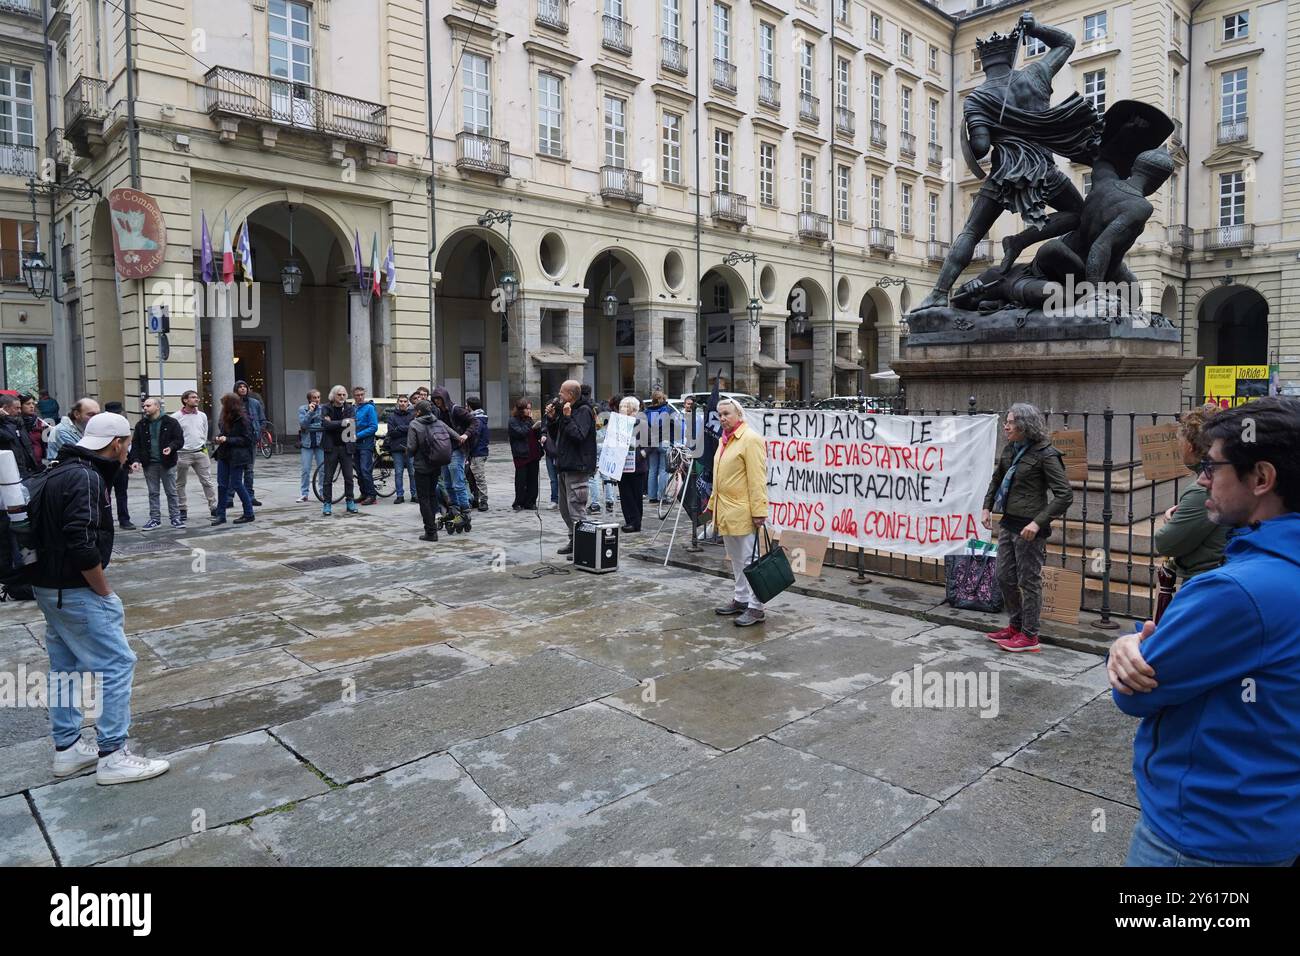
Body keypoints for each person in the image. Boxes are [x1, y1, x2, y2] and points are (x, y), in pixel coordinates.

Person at [1109, 397, 1300, 867]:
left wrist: (1131, 644)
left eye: (1212, 467)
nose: (1200, 479)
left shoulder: (1234, 593)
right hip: (1271, 817)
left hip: (1203, 834)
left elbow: (1135, 694)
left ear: (1261, 478)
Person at [29, 411, 170, 784]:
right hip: (75, 590)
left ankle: (68, 749)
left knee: (65, 666)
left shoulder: (60, 469)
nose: (128, 451)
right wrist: (104, 592)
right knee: (118, 663)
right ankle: (113, 755)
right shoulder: (86, 478)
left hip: (48, 588)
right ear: (116, 444)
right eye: (127, 444)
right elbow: (81, 541)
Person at [981, 403, 1073, 653]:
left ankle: (1030, 636)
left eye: (1010, 422)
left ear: (1024, 425)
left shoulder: (1046, 454)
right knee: (1003, 576)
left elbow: (1064, 495)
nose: (1006, 426)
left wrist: (1038, 522)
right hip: (1009, 521)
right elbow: (997, 478)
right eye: (1006, 421)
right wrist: (986, 506)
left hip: (1030, 527)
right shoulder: (1012, 449)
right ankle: (1015, 626)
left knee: (1028, 580)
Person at [702, 398, 770, 627]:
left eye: (726, 414)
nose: (722, 418)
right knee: (736, 559)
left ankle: (756, 606)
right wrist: (712, 503)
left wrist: (759, 511)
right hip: (726, 509)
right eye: (720, 414)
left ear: (739, 415)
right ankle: (741, 598)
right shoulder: (724, 440)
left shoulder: (750, 439)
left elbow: (757, 479)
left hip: (743, 510)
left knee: (751, 560)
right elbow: (719, 475)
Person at [1154, 404, 1228, 582]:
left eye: (1180, 437)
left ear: (1190, 445)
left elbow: (1166, 543)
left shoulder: (1202, 490)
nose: (1177, 443)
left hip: (1206, 580)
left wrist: (1170, 521)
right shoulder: (1215, 481)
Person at [548, 379, 597, 557]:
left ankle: (583, 546)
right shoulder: (568, 409)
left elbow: (578, 435)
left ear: (570, 395)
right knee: (565, 508)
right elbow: (559, 436)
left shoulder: (584, 411)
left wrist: (567, 418)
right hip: (565, 465)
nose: (559, 395)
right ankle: (573, 539)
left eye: (561, 392)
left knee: (576, 508)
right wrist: (553, 419)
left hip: (578, 466)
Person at [128, 397, 185, 530]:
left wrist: (171, 447)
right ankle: (155, 519)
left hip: (167, 462)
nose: (145, 408)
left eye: (148, 406)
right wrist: (135, 460)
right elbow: (135, 444)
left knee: (171, 491)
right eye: (144, 406)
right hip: (150, 463)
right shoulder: (141, 424)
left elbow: (179, 440)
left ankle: (175, 517)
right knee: (153, 492)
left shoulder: (171, 422)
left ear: (157, 407)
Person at [431, 386, 478, 531]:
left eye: (439, 399)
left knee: (458, 482)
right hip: (445, 451)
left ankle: (465, 510)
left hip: (457, 449)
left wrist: (466, 434)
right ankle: (454, 508)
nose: (437, 402)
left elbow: (474, 422)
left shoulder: (456, 410)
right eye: (435, 399)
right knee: (447, 483)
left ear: (444, 398)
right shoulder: (438, 412)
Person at [407, 399, 453, 541]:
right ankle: (433, 528)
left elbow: (411, 447)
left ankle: (431, 532)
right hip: (436, 465)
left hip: (422, 466)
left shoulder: (414, 424)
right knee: (432, 495)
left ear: (419, 411)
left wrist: (408, 454)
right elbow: (455, 435)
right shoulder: (438, 422)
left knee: (424, 499)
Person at [210, 392, 256, 526]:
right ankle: (221, 515)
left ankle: (249, 513)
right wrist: (219, 438)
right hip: (224, 454)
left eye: (224, 404)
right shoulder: (225, 418)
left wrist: (228, 439)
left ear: (231, 405)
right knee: (222, 485)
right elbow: (224, 433)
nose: (222, 407)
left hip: (238, 456)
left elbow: (247, 440)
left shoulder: (243, 419)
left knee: (237, 484)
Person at [172, 390, 217, 521]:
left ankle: (213, 506)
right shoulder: (176, 417)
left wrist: (203, 446)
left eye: (197, 397)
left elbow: (204, 432)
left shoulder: (202, 415)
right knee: (180, 483)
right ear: (185, 400)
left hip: (200, 452)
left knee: (207, 481)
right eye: (193, 397)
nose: (196, 399)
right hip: (182, 454)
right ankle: (182, 508)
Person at [319, 385, 358, 516]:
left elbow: (351, 424)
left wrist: (334, 423)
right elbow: (325, 425)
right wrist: (343, 422)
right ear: (333, 396)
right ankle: (327, 504)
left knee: (349, 477)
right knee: (328, 478)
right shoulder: (326, 407)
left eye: (344, 395)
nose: (342, 397)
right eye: (339, 395)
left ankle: (350, 501)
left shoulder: (349, 408)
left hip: (346, 447)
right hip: (331, 447)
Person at [231, 381, 265, 507]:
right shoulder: (232, 404)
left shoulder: (254, 403)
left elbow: (262, 420)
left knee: (249, 470)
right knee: (234, 470)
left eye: (244, 386)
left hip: (251, 441)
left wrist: (259, 433)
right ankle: (229, 497)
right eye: (240, 387)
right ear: (236, 389)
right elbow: (223, 421)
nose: (242, 388)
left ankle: (250, 497)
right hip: (235, 442)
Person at [101, 402, 135, 529]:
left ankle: (123, 519)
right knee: (107, 494)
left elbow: (128, 445)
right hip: (108, 464)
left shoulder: (123, 425)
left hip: (121, 465)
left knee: (119, 494)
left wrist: (130, 461)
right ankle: (114, 520)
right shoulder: (103, 426)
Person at [617, 396, 647, 533]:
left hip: (638, 465)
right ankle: (630, 520)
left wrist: (643, 453)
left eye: (628, 409)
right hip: (622, 465)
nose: (625, 411)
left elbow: (652, 442)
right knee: (625, 495)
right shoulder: (619, 424)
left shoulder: (642, 423)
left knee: (636, 495)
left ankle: (636, 522)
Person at [508, 398, 542, 511]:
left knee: (533, 479)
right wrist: (530, 424)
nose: (529, 411)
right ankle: (519, 502)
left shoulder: (529, 420)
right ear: (520, 409)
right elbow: (521, 433)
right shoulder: (513, 421)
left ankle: (530, 501)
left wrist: (538, 429)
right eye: (527, 409)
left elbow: (535, 434)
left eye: (529, 408)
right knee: (521, 480)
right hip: (521, 454)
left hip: (533, 452)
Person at [384, 393, 416, 504]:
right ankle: (400, 495)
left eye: (404, 401)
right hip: (397, 448)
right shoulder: (392, 416)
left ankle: (414, 494)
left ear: (408, 403)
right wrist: (405, 429)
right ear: (397, 403)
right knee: (398, 472)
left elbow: (413, 428)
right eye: (400, 401)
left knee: (412, 473)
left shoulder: (412, 415)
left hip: (410, 447)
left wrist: (399, 428)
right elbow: (391, 432)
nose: (402, 403)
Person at [352, 385, 378, 505]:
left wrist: (358, 435)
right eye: (357, 395)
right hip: (354, 444)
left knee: (365, 469)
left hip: (366, 444)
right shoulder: (353, 408)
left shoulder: (369, 408)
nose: (360, 397)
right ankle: (364, 493)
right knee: (358, 470)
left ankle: (372, 495)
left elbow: (373, 427)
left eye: (362, 395)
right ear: (354, 396)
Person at [296, 389, 325, 503]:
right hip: (307, 444)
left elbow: (323, 425)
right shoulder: (303, 409)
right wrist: (310, 412)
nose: (317, 400)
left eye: (318, 397)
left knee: (322, 469)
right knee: (305, 469)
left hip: (320, 443)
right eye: (314, 398)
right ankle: (304, 494)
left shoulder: (323, 409)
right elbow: (303, 424)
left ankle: (322, 493)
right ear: (309, 399)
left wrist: (311, 427)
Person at [644, 390, 673, 503]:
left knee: (652, 470)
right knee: (663, 470)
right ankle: (662, 497)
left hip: (651, 443)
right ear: (663, 398)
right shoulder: (667, 411)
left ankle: (652, 497)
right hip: (664, 442)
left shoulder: (647, 412)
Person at [0, 393, 38, 477]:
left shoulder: (20, 423)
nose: (20, 411)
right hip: (12, 476)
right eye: (17, 408)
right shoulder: (3, 427)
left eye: (20, 408)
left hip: (30, 472)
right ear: (5, 408)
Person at [465, 394, 490, 512]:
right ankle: (475, 498)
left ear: (470, 406)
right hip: (478, 451)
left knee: (479, 477)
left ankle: (483, 500)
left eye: (467, 405)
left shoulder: (477, 420)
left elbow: (474, 436)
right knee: (471, 477)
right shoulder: (480, 418)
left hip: (477, 452)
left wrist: (469, 449)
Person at [21, 395, 46, 468]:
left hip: (39, 462)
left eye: (33, 403)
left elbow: (43, 442)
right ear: (21, 406)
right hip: (26, 464)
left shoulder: (38, 421)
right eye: (28, 404)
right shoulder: (18, 422)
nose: (32, 406)